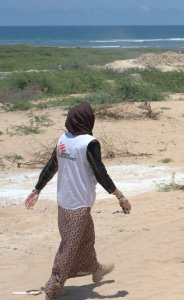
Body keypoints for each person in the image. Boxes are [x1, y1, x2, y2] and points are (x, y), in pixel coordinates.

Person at [24, 102, 131, 300]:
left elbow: (50, 166)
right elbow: (100, 172)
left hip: (64, 202)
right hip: (78, 205)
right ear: (88, 120)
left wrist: (37, 189)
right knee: (69, 247)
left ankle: (96, 269)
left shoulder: (63, 139)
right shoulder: (89, 143)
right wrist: (120, 195)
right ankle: (51, 288)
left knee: (86, 239)